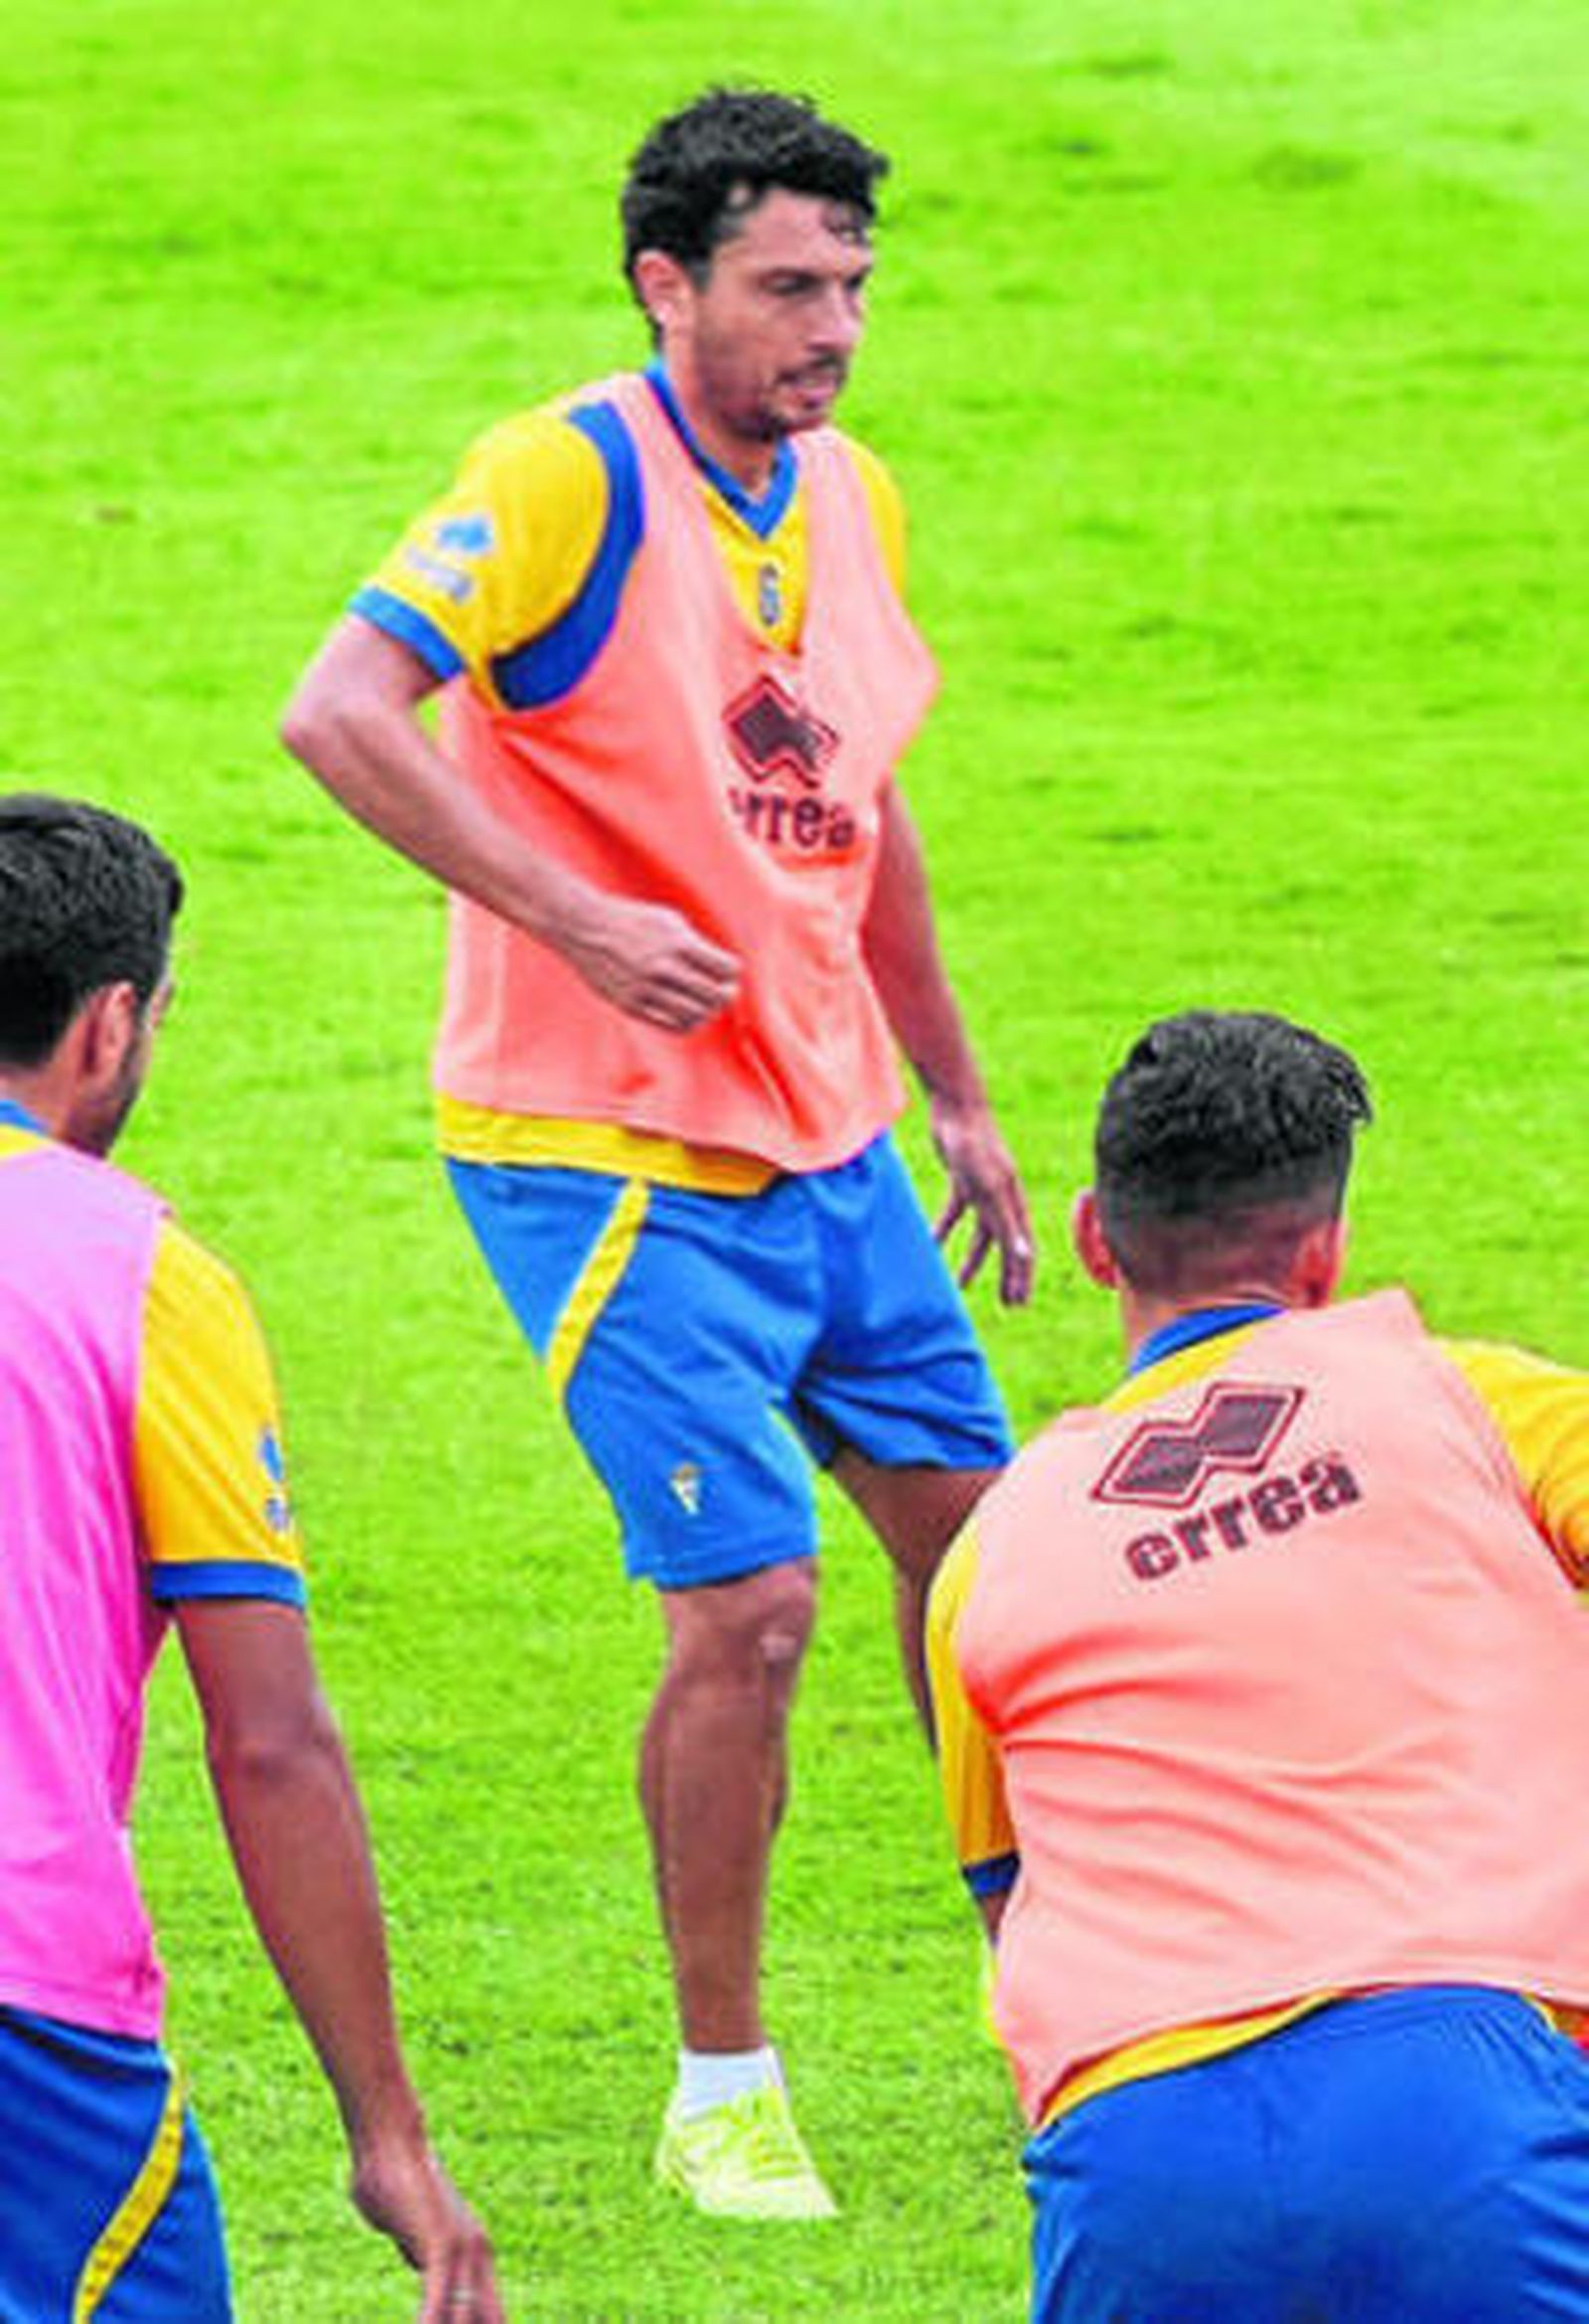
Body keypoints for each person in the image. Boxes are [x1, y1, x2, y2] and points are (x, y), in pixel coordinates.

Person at [280, 84, 1032, 2220]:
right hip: (597, 1148)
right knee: (757, 1606)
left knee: (977, 1573)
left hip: (829, 1133)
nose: (832, 327)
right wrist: (578, 918)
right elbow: (337, 710)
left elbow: (859, 807)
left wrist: (952, 1091)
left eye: (854, 287)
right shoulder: (560, 475)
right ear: (664, 282)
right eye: (789, 285)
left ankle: (1043, 1979)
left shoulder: (849, 496)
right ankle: (722, 2083)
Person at [928, 1009, 1589, 2322]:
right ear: (1326, 1255)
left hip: (1130, 2157)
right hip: (1459, 2097)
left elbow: (1011, 1902)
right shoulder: (1478, 1408)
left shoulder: (984, 1555)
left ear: (1092, 1240)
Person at [0, 796, 503, 2322]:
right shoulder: (147, 1278)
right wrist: (388, 2133)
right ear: (110, 1024)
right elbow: (269, 1740)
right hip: (31, 2013)